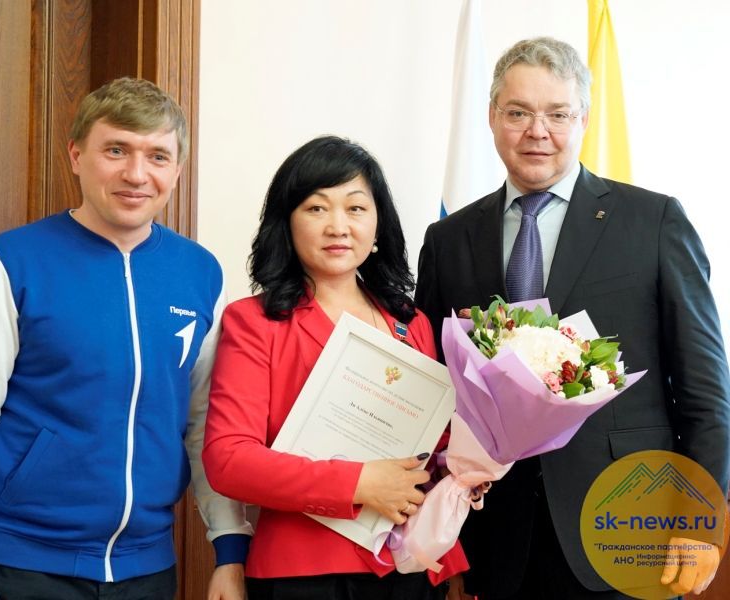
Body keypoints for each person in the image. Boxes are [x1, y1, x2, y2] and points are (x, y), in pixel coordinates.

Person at [415, 37, 730, 600]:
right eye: (518, 112)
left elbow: (706, 389)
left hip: (627, 522)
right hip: (494, 536)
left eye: (557, 114)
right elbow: (436, 392)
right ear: (492, 117)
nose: (538, 131)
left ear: (583, 118)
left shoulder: (653, 221)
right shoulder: (448, 239)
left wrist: (701, 519)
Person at [0, 77, 252, 600]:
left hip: (148, 568)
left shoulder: (199, 273)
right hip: (22, 565)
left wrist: (230, 546)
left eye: (157, 156)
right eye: (116, 150)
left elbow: (205, 425)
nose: (136, 174)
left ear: (177, 170)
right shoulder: (11, 262)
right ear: (77, 155)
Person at [202, 135, 467, 599]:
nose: (338, 226)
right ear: (286, 223)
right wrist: (360, 483)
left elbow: (431, 448)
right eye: (316, 208)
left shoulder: (412, 323)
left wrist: (465, 472)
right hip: (304, 573)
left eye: (356, 208)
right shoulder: (255, 322)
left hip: (410, 566)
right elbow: (229, 460)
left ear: (379, 223)